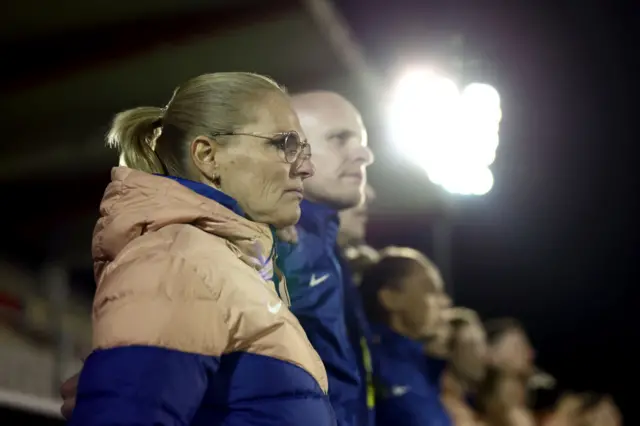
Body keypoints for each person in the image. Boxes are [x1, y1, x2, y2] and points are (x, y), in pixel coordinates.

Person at [63, 72, 335, 426]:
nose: (307, 168)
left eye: (304, 149)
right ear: (208, 156)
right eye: (285, 144)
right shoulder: (177, 260)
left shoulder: (229, 269)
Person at [280, 91, 375, 426]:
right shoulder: (270, 242)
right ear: (288, 150)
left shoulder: (324, 245)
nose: (365, 154)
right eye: (339, 139)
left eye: (362, 141)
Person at [360, 246, 452, 426]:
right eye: (430, 290)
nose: (445, 302)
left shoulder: (418, 366)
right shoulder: (370, 365)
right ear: (390, 298)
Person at [440, 308, 488, 426]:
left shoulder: (465, 403)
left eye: (483, 344)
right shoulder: (443, 407)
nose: (484, 354)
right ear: (449, 351)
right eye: (473, 345)